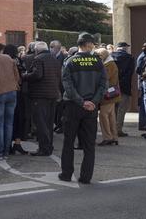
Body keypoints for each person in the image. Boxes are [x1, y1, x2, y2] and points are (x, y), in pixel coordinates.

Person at [59, 33, 107, 184]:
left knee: (68, 142)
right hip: (91, 108)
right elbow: (103, 85)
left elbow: (67, 85)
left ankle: (66, 174)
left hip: (73, 106)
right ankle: (86, 176)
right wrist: (93, 101)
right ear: (88, 44)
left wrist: (81, 101)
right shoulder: (98, 62)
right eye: (92, 43)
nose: (93, 46)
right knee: (89, 144)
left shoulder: (70, 61)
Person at [23, 41, 62, 156]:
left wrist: (25, 76)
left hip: (40, 95)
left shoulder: (38, 59)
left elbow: (37, 75)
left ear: (36, 50)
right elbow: (59, 76)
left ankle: (43, 148)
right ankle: (48, 146)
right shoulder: (55, 59)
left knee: (41, 123)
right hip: (53, 94)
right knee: (49, 123)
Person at [95, 48, 121, 146]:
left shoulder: (108, 65)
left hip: (107, 95)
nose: (98, 58)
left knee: (103, 116)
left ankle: (107, 137)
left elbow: (104, 78)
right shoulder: (111, 63)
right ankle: (113, 137)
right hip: (112, 94)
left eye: (99, 56)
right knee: (111, 116)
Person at [112, 42, 135, 137]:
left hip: (112, 86)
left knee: (113, 108)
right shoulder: (129, 58)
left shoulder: (111, 56)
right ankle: (118, 129)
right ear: (125, 48)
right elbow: (130, 73)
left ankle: (111, 129)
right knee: (122, 108)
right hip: (124, 86)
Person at [135, 43, 146, 132]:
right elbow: (138, 70)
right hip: (143, 82)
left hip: (142, 82)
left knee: (143, 104)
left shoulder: (143, 55)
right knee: (143, 105)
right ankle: (143, 124)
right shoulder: (143, 57)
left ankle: (143, 124)